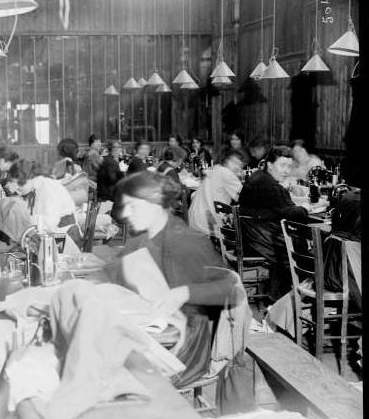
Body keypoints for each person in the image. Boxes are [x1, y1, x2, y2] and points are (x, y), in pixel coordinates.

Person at [108, 171, 246, 387]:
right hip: (160, 333)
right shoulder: (142, 238)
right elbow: (114, 271)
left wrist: (185, 293)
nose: (125, 213)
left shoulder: (186, 240)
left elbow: (233, 288)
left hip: (184, 350)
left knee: (109, 371)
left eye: (133, 206)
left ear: (154, 204)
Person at [238, 146, 308, 301]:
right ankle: (290, 299)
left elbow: (278, 207)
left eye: (289, 166)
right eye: (282, 165)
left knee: (293, 241)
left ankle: (278, 295)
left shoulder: (258, 176)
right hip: (259, 240)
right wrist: (306, 208)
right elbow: (292, 213)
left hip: (251, 235)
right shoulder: (270, 185)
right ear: (269, 164)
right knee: (299, 247)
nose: (286, 171)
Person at [7, 159, 81, 246]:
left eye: (19, 184)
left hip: (65, 238)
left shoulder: (47, 188)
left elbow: (49, 225)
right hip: (54, 235)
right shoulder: (37, 186)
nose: (16, 188)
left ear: (30, 177)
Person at [188, 150, 244, 235]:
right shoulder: (227, 174)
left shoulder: (215, 168)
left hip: (195, 220)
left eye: (241, 164)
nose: (238, 167)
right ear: (227, 161)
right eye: (236, 162)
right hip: (208, 226)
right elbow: (243, 198)